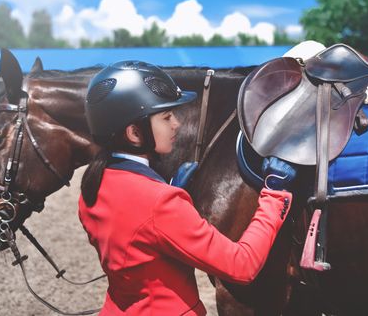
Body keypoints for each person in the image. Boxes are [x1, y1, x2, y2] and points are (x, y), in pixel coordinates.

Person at [79, 60, 297, 315]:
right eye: (166, 116)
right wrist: (275, 194)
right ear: (135, 133)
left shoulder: (93, 186)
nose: (177, 124)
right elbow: (242, 266)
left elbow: (137, 242)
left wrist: (167, 188)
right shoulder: (161, 203)